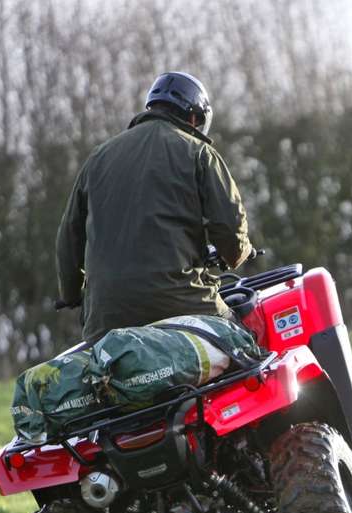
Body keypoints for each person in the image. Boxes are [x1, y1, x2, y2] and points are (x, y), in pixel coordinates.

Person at [55, 72, 254, 343]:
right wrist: (239, 253)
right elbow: (231, 231)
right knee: (247, 337)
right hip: (183, 305)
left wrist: (70, 294)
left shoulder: (97, 158)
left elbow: (68, 239)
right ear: (195, 118)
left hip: (106, 318)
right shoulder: (198, 153)